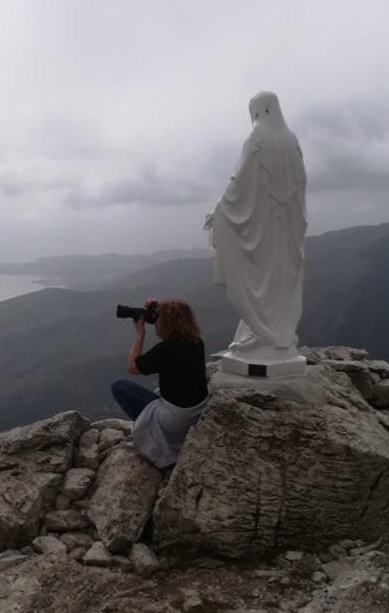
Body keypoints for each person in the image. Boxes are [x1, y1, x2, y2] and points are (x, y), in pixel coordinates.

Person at [205, 91, 307, 360]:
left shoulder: (256, 139)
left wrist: (219, 211)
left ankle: (264, 335)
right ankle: (278, 333)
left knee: (257, 278)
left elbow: (239, 183)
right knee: (280, 278)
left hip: (261, 230)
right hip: (286, 231)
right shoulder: (292, 140)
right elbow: (301, 185)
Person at [111, 298, 209, 467]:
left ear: (168, 323)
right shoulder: (196, 342)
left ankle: (154, 437)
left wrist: (140, 333)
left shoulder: (166, 349)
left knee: (119, 386)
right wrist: (158, 308)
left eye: (158, 319)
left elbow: (132, 367)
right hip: (197, 413)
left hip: (175, 421)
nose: (155, 323)